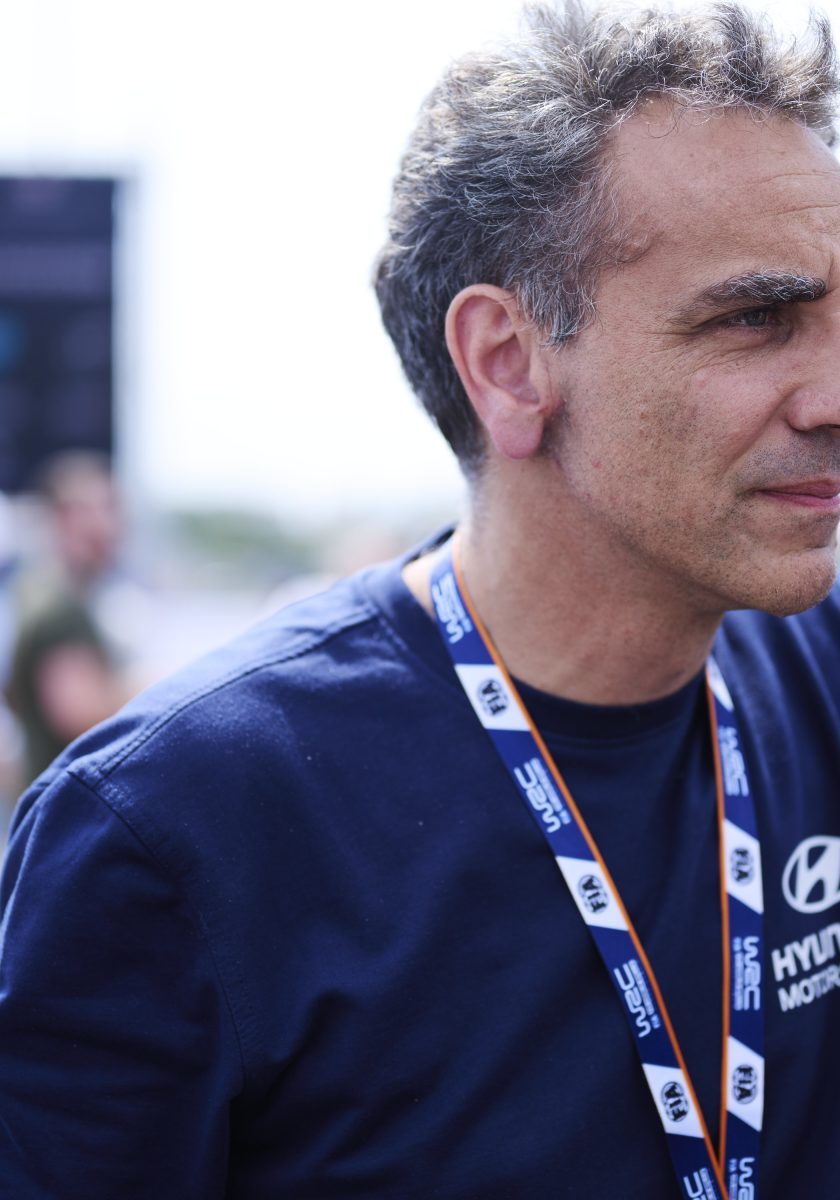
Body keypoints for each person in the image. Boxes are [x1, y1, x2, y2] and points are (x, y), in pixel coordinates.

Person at [2, 4, 840, 1196]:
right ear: (508, 364)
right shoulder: (174, 828)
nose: (831, 392)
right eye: (758, 319)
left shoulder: (819, 678)